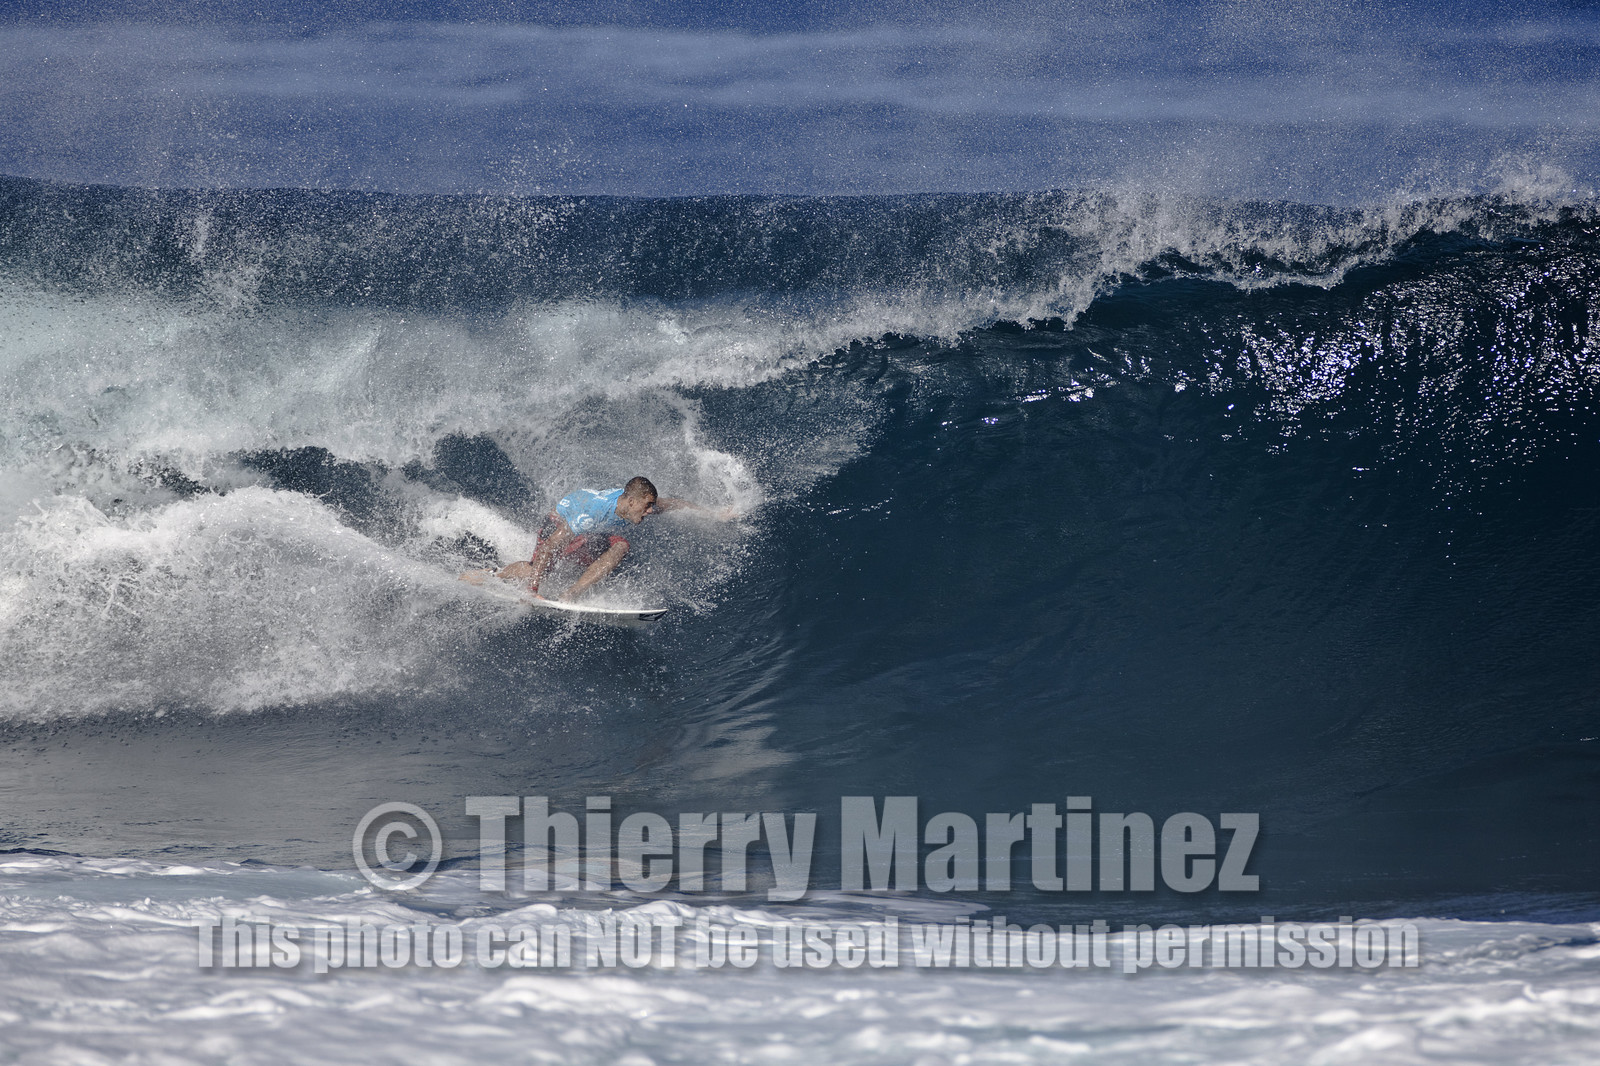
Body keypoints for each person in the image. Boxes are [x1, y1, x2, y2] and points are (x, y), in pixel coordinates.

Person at [477, 476, 731, 602]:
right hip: (559, 523)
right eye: (646, 506)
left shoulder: (631, 502)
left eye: (651, 506)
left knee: (620, 545)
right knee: (539, 569)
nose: (650, 511)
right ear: (631, 501)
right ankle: (492, 574)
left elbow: (673, 503)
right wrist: (532, 592)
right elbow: (550, 547)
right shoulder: (595, 513)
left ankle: (570, 594)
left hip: (588, 530)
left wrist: (714, 514)